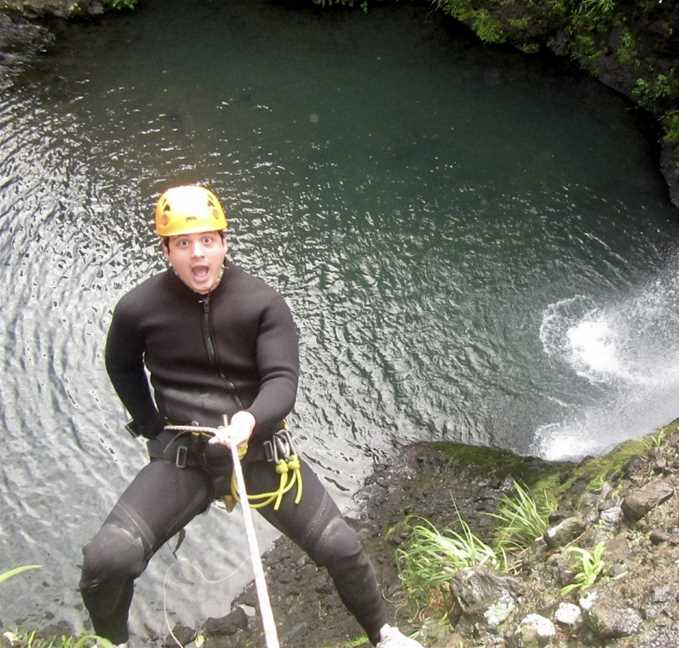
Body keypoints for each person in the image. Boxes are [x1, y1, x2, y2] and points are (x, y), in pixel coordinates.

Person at [79, 185, 422, 647]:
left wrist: (249, 421)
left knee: (341, 546)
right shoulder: (138, 309)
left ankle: (384, 634)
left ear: (224, 242)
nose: (197, 255)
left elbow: (281, 379)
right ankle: (112, 643)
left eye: (207, 241)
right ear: (166, 250)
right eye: (183, 244)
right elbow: (120, 365)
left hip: (257, 449)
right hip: (186, 458)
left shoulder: (262, 304)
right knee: (108, 559)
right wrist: (150, 423)